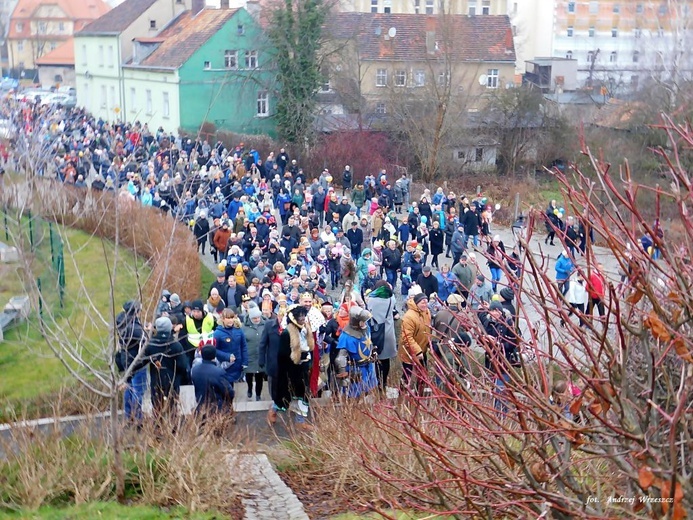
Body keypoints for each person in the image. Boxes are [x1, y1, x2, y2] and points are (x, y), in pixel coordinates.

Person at [132, 317, 190, 414]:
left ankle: (158, 427)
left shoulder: (151, 344)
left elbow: (141, 362)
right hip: (172, 382)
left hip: (156, 382)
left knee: (157, 408)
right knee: (172, 409)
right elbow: (183, 365)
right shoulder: (175, 345)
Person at [276, 305, 314, 430]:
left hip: (303, 367)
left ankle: (300, 421)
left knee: (303, 395)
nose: (303, 318)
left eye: (304, 315)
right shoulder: (287, 333)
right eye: (300, 316)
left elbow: (309, 347)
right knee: (287, 395)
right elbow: (282, 354)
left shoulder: (306, 329)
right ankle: (273, 411)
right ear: (294, 318)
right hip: (290, 369)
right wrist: (297, 356)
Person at [479, 301, 519, 413]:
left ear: (500, 311)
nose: (495, 313)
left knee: (500, 390)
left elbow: (514, 343)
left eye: (497, 311)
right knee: (496, 390)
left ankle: (501, 414)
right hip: (491, 361)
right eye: (492, 311)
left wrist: (499, 344)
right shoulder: (489, 322)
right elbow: (482, 338)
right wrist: (484, 339)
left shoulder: (508, 323)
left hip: (504, 361)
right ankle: (499, 414)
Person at [334, 306, 377, 397]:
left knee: (369, 391)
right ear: (356, 321)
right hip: (355, 369)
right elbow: (340, 358)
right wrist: (344, 376)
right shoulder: (346, 336)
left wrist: (372, 351)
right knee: (354, 395)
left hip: (368, 366)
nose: (365, 323)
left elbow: (367, 341)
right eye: (362, 321)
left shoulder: (365, 328)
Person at [115, 300, 146, 422]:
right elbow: (145, 341)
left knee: (129, 387)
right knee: (138, 390)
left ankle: (128, 415)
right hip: (136, 362)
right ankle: (138, 418)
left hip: (126, 360)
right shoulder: (135, 328)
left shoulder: (122, 322)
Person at [366, 280, 399, 392]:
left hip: (376, 331)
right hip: (388, 331)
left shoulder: (371, 299)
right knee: (386, 360)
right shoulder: (391, 298)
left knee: (376, 359)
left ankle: (377, 384)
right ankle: (384, 382)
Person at [399, 293, 432, 394]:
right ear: (417, 303)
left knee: (422, 374)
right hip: (409, 352)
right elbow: (407, 337)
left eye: (426, 302)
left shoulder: (426, 312)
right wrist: (417, 351)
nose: (425, 304)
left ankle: (419, 396)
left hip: (422, 349)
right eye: (422, 302)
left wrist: (429, 344)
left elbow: (428, 329)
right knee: (407, 375)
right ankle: (402, 394)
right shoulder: (409, 317)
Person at [191, 345, 234, 416]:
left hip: (201, 407)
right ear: (214, 356)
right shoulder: (219, 372)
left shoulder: (195, 370)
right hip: (217, 409)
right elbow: (229, 392)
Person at [181, 299, 216, 366]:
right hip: (191, 349)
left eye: (198, 311)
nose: (196, 314)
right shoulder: (186, 320)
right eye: (194, 311)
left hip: (207, 348)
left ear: (202, 311)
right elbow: (182, 336)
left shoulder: (210, 318)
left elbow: (216, 331)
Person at [242, 306, 266, 400]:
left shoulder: (265, 325)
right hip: (249, 355)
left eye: (258, 318)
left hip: (261, 356)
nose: (257, 320)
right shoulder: (244, 327)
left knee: (259, 376)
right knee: (249, 375)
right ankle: (249, 388)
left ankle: (258, 394)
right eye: (254, 318)